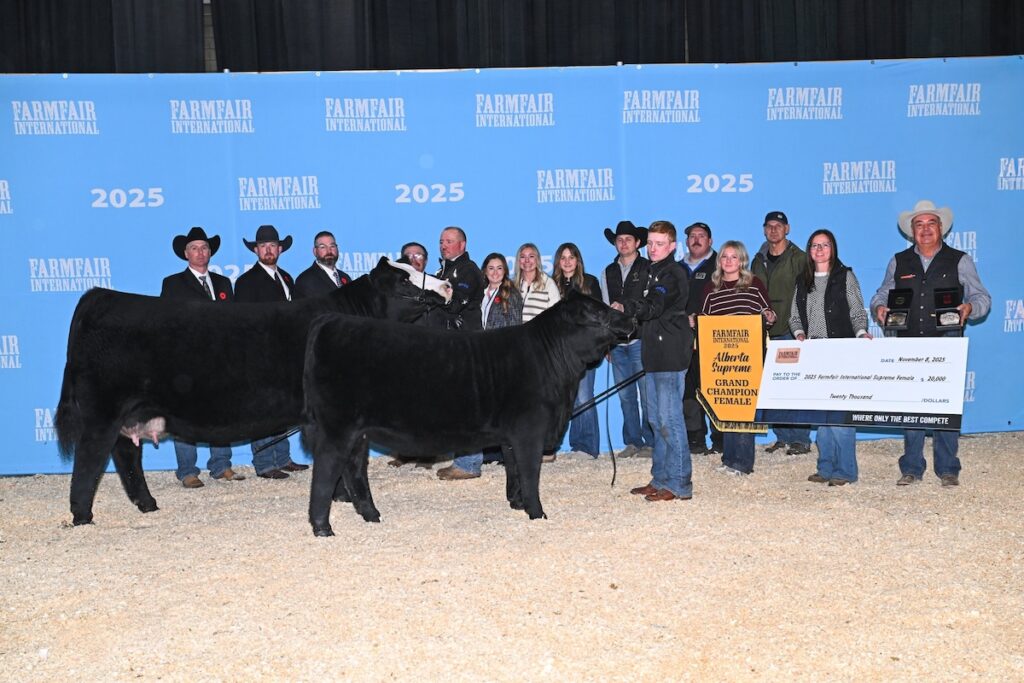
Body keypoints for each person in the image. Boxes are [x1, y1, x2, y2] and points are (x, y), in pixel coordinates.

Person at [870, 199, 991, 487]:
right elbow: (882, 293)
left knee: (945, 406)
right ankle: (911, 467)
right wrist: (879, 308)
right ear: (911, 231)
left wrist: (969, 308)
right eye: (919, 224)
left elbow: (982, 298)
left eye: (931, 223)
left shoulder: (960, 260)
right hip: (908, 342)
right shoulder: (898, 261)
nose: (925, 229)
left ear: (942, 227)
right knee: (911, 405)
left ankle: (948, 468)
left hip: (947, 343)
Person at [612, 221, 693, 502]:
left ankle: (680, 484)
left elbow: (655, 305)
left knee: (670, 420)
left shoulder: (673, 273)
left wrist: (627, 306)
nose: (653, 248)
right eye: (650, 243)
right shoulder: (651, 271)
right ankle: (660, 478)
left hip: (670, 353)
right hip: (654, 352)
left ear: (672, 246)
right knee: (656, 420)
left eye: (660, 243)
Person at [159, 226, 244, 488]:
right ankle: (187, 470)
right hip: (187, 360)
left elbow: (233, 322)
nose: (200, 252)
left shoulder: (223, 283)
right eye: (194, 248)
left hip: (219, 359)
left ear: (210, 252)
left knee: (221, 412)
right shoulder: (173, 284)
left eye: (204, 248)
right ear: (186, 254)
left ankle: (221, 465)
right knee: (186, 415)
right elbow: (166, 322)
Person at [789, 229, 871, 486]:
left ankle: (846, 470)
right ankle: (825, 467)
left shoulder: (845, 276)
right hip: (814, 354)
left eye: (824, 245)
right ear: (809, 250)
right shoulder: (803, 280)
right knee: (822, 416)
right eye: (815, 245)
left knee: (840, 416)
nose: (820, 249)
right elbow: (794, 316)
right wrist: (799, 334)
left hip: (841, 353)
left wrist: (861, 333)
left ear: (833, 248)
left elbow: (857, 310)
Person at [437, 254, 524, 480]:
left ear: (505, 271)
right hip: (478, 358)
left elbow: (513, 331)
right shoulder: (480, 294)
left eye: (499, 268)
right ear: (484, 271)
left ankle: (472, 463)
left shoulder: (511, 295)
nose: (495, 272)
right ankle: (469, 462)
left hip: (498, 360)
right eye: (491, 268)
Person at [234, 224, 309, 479]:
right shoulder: (246, 282)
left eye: (273, 246)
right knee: (264, 408)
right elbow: (244, 322)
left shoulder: (286, 278)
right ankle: (265, 463)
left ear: (280, 249)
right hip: (262, 354)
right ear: (256, 250)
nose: (268, 250)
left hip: (286, 353)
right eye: (263, 246)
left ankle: (283, 457)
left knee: (282, 406)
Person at [700, 240, 775, 476]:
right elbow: (704, 319)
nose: (729, 261)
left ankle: (742, 462)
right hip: (721, 360)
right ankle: (729, 458)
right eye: (724, 256)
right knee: (726, 406)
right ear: (719, 260)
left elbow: (767, 313)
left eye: (734, 257)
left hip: (748, 358)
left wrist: (769, 315)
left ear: (742, 260)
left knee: (744, 406)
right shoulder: (711, 288)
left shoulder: (754, 284)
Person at [751, 210, 812, 456]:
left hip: (790, 330)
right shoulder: (758, 259)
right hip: (763, 332)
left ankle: (800, 439)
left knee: (794, 387)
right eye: (769, 226)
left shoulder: (800, 258)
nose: (773, 229)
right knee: (772, 388)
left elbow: (809, 294)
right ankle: (783, 436)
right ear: (764, 230)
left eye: (778, 225)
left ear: (787, 229)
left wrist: (801, 327)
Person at [600, 220, 655, 458]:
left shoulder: (648, 268)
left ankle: (651, 441)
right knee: (625, 396)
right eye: (619, 240)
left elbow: (651, 304)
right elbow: (605, 308)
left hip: (641, 339)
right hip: (617, 343)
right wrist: (606, 342)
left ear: (638, 243)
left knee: (647, 394)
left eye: (628, 240)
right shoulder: (608, 272)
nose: (623, 244)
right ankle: (633, 441)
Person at [552, 242, 603, 458]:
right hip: (560, 352)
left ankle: (588, 446)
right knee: (568, 397)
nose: (567, 262)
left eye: (571, 257)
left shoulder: (589, 283)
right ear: (558, 261)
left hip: (584, 350)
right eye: (563, 258)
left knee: (584, 396)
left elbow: (599, 317)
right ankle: (577, 444)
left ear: (578, 260)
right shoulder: (552, 284)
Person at [678, 222, 722, 456]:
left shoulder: (721, 265)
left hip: (714, 338)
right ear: (686, 242)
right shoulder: (677, 268)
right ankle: (695, 438)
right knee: (688, 389)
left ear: (710, 241)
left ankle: (720, 438)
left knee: (715, 388)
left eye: (701, 235)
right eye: (692, 236)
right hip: (683, 338)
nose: (696, 239)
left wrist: (704, 318)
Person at [516, 242, 562, 463]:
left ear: (538, 260)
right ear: (518, 261)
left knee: (543, 400)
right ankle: (524, 445)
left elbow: (557, 316)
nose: (527, 261)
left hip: (542, 350)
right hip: (518, 350)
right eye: (523, 257)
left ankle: (547, 447)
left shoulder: (548, 283)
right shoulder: (512, 285)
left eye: (531, 256)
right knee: (522, 401)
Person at [430, 226, 484, 330]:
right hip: (445, 333)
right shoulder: (440, 272)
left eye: (449, 242)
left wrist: (432, 297)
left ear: (462, 245)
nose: (443, 246)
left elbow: (456, 304)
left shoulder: (469, 269)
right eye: (441, 242)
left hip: (464, 335)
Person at [293, 230, 351, 298]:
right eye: (323, 247)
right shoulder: (305, 280)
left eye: (332, 246)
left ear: (337, 248)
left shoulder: (345, 277)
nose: (329, 251)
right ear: (315, 251)